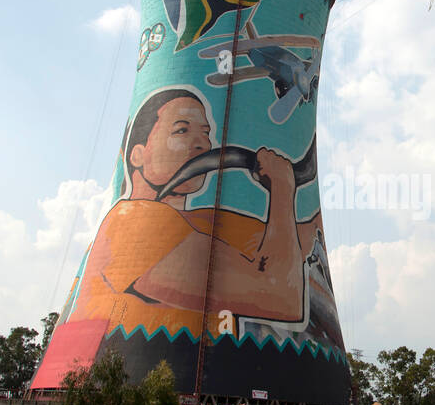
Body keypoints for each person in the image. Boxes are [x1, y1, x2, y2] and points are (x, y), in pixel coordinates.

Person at [66, 86, 325, 336]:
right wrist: (281, 188)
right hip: (149, 379)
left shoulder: (199, 224)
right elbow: (280, 297)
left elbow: (300, 239)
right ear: (137, 155)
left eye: (205, 133)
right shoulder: (132, 222)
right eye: (181, 130)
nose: (202, 143)